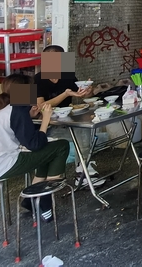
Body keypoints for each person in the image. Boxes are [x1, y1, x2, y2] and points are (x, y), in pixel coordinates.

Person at [0, 74, 70, 222]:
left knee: (47, 151)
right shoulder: (18, 110)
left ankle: (33, 198)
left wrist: (29, 115)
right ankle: (45, 199)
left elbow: (18, 129)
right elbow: (34, 144)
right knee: (61, 146)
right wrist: (45, 119)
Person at [34, 45, 102, 187]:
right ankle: (82, 172)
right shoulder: (37, 79)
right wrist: (65, 94)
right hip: (47, 126)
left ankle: (83, 168)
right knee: (82, 130)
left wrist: (88, 90)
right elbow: (40, 107)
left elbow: (80, 94)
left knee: (85, 126)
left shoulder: (67, 75)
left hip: (66, 120)